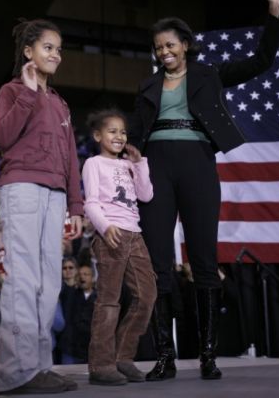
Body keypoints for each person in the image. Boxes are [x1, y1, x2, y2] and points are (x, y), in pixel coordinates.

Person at [129, 0, 279, 381]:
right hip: (157, 168)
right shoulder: (147, 88)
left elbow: (262, 61)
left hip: (198, 162)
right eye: (158, 47)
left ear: (185, 46)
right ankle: (165, 356)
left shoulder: (209, 75)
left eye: (170, 44)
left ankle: (208, 356)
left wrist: (274, 11)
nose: (164, 51)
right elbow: (133, 136)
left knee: (203, 259)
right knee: (159, 263)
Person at [0, 18, 83, 395]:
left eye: (59, 49)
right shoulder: (12, 91)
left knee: (49, 282)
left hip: (55, 195)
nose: (55, 54)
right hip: (22, 189)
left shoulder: (61, 103)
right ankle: (16, 372)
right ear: (28, 51)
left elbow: (72, 158)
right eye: (48, 47)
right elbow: (2, 136)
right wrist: (28, 93)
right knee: (23, 279)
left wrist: (76, 205)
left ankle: (40, 367)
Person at [81, 109, 156, 385]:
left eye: (123, 131)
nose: (119, 136)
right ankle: (101, 365)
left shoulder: (128, 164)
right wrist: (104, 226)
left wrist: (139, 164)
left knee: (147, 297)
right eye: (112, 131)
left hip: (135, 235)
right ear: (98, 135)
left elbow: (146, 195)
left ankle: (123, 358)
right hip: (110, 235)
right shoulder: (93, 164)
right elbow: (90, 202)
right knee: (109, 301)